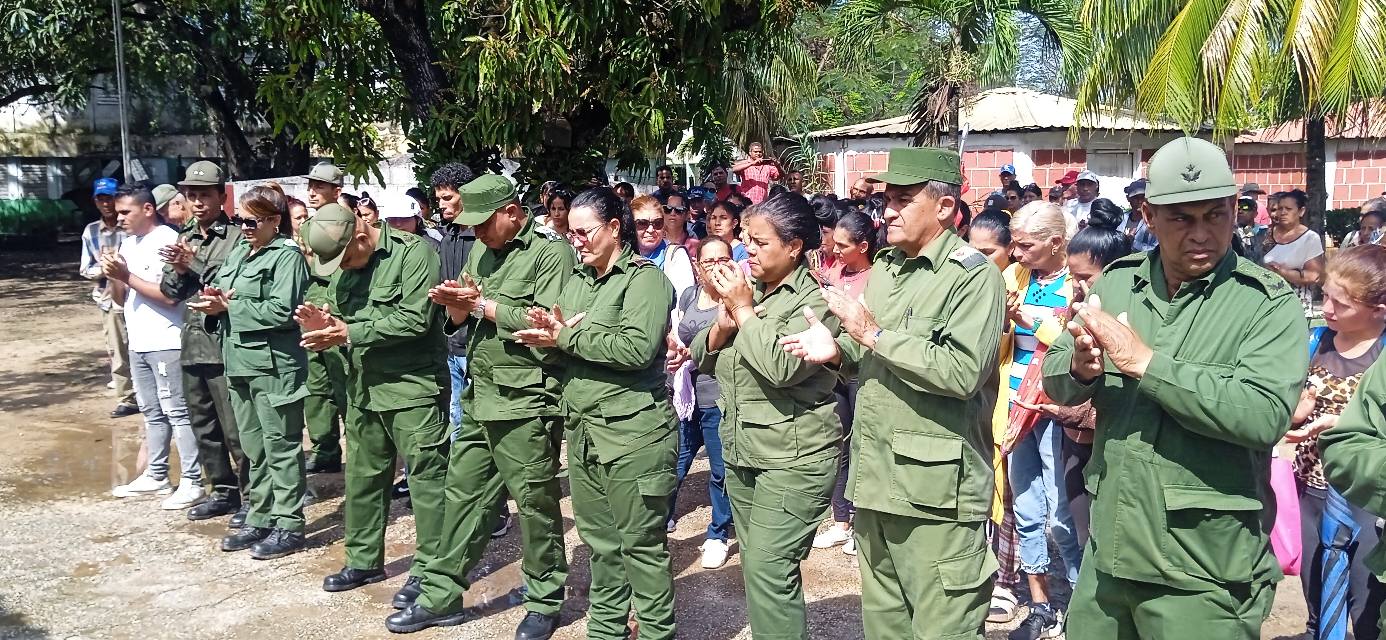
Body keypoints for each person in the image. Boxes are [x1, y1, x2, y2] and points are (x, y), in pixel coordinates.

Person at [1041, 136, 1308, 639]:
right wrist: (1080, 367)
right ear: (1149, 215)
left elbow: (1264, 414)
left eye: (1215, 215)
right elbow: (1056, 378)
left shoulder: (1265, 303)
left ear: (1235, 210)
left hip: (1202, 567)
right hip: (1111, 553)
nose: (1201, 233)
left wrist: (1146, 363)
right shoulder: (1119, 282)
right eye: (1183, 218)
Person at [779, 148, 1005, 639]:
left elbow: (963, 371)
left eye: (905, 199)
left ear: (945, 208)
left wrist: (873, 335)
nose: (890, 210)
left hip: (936, 494)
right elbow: (870, 356)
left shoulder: (972, 276)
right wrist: (837, 353)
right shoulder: (888, 267)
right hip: (877, 478)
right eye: (887, 199)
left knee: (944, 627)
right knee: (885, 627)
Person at [391, 175, 574, 639]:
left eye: (485, 222)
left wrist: (483, 306)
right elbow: (464, 315)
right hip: (479, 392)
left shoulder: (551, 253)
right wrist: (456, 307)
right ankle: (441, 594)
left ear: (512, 212)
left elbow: (544, 320)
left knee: (535, 505)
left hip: (524, 400)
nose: (478, 232)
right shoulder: (479, 247)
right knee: (463, 496)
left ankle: (544, 599)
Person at [514, 187, 679, 640]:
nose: (578, 242)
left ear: (613, 229)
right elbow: (563, 337)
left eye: (585, 233)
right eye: (571, 234)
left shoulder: (644, 280)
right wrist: (549, 334)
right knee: (602, 545)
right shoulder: (579, 281)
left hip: (635, 436)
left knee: (640, 546)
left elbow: (635, 348)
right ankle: (605, 630)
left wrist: (564, 339)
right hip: (585, 430)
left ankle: (657, 632)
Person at [688, 192, 842, 639]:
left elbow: (781, 368)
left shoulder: (813, 303)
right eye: (746, 241)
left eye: (759, 243)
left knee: (771, 569)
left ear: (794, 246)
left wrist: (741, 311)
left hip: (793, 460)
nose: (747, 251)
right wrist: (723, 323)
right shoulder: (751, 291)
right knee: (756, 568)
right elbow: (702, 356)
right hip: (744, 453)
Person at [293, 203, 451, 605]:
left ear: (361, 236)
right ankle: (363, 560)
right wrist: (321, 322)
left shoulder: (414, 254)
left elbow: (417, 318)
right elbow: (339, 312)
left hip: (412, 388)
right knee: (363, 477)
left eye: (345, 258)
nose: (342, 268)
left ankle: (431, 569)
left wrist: (348, 332)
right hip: (362, 387)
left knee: (426, 481)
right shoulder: (345, 263)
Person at [193, 185, 311, 559]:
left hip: (275, 366)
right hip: (240, 361)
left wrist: (230, 309)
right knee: (254, 448)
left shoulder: (286, 257)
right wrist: (215, 302)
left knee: (280, 445)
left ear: (275, 221)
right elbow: (227, 294)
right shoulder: (241, 253)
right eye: (239, 220)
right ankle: (261, 514)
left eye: (251, 221)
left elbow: (282, 311)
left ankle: (289, 523)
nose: (243, 227)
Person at [993, 201, 1084, 639]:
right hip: (1017, 406)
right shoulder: (1016, 277)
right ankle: (1041, 603)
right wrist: (1005, 321)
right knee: (1026, 507)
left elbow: (1075, 338)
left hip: (1057, 408)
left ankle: (1083, 602)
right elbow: (1001, 336)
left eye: (1025, 245)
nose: (1016, 252)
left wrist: (1030, 318)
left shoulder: (1077, 283)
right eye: (1014, 243)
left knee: (1062, 515)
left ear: (1056, 243)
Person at [1287, 245, 1386, 639]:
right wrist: (1297, 413)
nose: (1327, 308)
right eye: (1324, 295)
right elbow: (1287, 409)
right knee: (1317, 591)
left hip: (1366, 497)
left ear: (1379, 310)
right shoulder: (1315, 342)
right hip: (1312, 485)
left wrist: (1341, 424)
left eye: (1341, 303)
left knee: (1365, 603)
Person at [158, 161, 249, 523]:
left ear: (221, 195)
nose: (197, 202)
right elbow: (169, 290)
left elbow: (230, 284)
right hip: (192, 343)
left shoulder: (237, 237)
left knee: (235, 429)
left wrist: (193, 266)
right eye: (191, 195)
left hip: (223, 343)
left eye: (204, 195)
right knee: (204, 425)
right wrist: (180, 269)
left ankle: (252, 497)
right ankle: (222, 491)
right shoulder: (186, 237)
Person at [105, 186, 204, 508]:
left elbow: (170, 295)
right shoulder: (129, 243)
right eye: (118, 213)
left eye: (125, 212)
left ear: (148, 209)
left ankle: (192, 479)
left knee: (178, 412)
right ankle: (157, 474)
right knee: (151, 411)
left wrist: (126, 274)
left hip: (167, 340)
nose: (119, 219)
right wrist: (113, 275)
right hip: (139, 341)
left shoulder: (166, 241)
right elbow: (120, 298)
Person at [1049, 203, 1130, 554]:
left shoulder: (1126, 314)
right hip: (1074, 438)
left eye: (1087, 277)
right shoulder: (1077, 307)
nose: (1078, 284)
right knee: (1082, 533)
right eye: (1073, 275)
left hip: (1105, 440)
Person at [811, 210, 879, 556]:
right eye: (832, 243)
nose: (833, 250)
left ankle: (861, 521)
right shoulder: (834, 273)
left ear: (863, 246)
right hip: (836, 366)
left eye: (842, 245)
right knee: (839, 444)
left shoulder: (879, 277)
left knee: (861, 446)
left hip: (863, 370)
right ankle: (841, 521)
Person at [666, 237, 736, 568]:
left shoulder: (736, 300)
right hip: (686, 395)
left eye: (724, 258)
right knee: (677, 458)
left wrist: (689, 354)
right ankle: (660, 519)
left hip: (717, 395)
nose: (718, 266)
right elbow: (680, 335)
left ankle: (718, 533)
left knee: (720, 470)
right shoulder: (690, 295)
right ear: (697, 266)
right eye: (710, 261)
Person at [81, 177, 140, 418]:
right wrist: (105, 270)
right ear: (95, 201)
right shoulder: (92, 231)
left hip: (138, 294)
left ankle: (151, 393)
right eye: (101, 198)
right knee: (118, 350)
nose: (106, 203)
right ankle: (127, 397)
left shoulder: (132, 225)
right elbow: (85, 268)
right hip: (108, 298)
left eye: (110, 198)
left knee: (144, 346)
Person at [1261, 189, 1325, 318]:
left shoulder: (1310, 238)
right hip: (1265, 303)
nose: (1283, 212)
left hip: (1295, 305)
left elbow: (1314, 275)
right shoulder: (1264, 235)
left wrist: (1283, 273)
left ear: (1301, 211)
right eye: (1280, 208)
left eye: (1288, 209)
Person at [631, 196, 695, 305]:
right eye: (642, 223)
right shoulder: (620, 252)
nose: (651, 230)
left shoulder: (676, 255)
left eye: (657, 223)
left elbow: (683, 303)